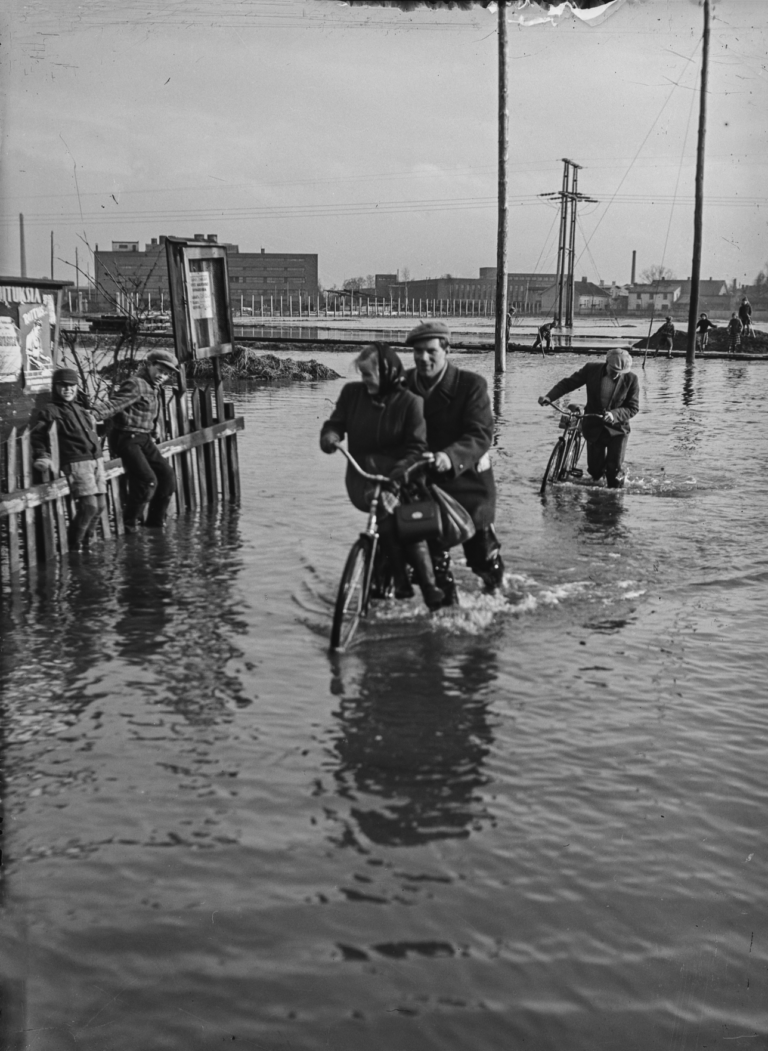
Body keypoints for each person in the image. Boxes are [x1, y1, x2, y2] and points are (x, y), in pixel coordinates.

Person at [320, 342, 444, 610]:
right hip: (363, 477)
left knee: (406, 524)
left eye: (368, 374)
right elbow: (336, 423)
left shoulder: (411, 403)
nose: (363, 381)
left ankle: (423, 585)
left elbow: (417, 449)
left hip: (401, 478)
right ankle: (398, 582)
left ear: (387, 373)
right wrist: (331, 436)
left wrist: (396, 483)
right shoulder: (352, 394)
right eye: (362, 374)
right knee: (386, 519)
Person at [403, 320, 504, 605]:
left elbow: (480, 433)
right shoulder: (403, 384)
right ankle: (446, 618)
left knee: (482, 558)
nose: (423, 358)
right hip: (423, 482)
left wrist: (449, 456)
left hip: (468, 483)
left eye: (431, 351)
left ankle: (496, 593)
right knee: (431, 558)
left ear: (446, 350)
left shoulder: (470, 385)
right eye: (417, 352)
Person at [94, 349, 179, 532]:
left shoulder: (152, 387)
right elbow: (115, 404)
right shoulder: (136, 384)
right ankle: (129, 525)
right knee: (147, 481)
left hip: (143, 438)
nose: (162, 376)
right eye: (159, 370)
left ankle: (155, 525)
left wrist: (154, 427)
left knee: (167, 477)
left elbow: (147, 411)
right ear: (149, 365)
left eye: (166, 374)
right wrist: (93, 414)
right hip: (127, 439)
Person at [538, 346, 639, 489]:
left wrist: (614, 414)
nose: (616, 375)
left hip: (618, 430)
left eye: (620, 373)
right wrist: (549, 397)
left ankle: (614, 501)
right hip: (594, 425)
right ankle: (597, 499)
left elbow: (633, 407)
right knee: (595, 471)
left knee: (614, 472)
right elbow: (568, 383)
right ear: (606, 363)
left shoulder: (631, 379)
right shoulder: (591, 370)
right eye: (614, 371)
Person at [31, 367, 107, 550]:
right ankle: (74, 546)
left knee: (101, 505)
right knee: (88, 506)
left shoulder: (80, 408)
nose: (68, 389)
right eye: (63, 386)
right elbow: (37, 436)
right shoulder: (50, 411)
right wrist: (43, 456)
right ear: (55, 387)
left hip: (95, 459)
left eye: (72, 386)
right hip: (76, 461)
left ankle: (87, 542)